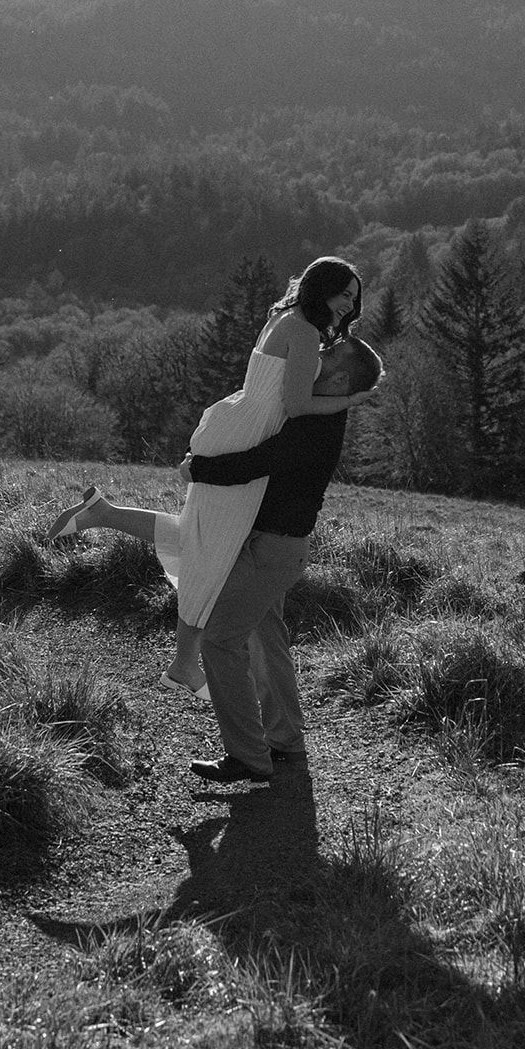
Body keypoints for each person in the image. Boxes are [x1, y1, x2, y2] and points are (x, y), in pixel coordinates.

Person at [47, 257, 371, 698]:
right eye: (344, 295)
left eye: (354, 299)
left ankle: (103, 514)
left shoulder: (285, 317)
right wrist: (349, 399)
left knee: (203, 537)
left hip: (234, 424)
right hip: (245, 438)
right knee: (211, 548)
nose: (348, 307)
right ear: (323, 288)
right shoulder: (304, 330)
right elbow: (295, 406)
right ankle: (183, 666)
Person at [185, 333, 384, 784]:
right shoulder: (314, 414)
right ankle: (285, 742)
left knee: (219, 639)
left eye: (329, 353)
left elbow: (259, 460)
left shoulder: (319, 426)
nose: (314, 352)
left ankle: (249, 757)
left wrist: (199, 468)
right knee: (265, 640)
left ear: (338, 377)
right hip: (277, 547)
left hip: (272, 549)